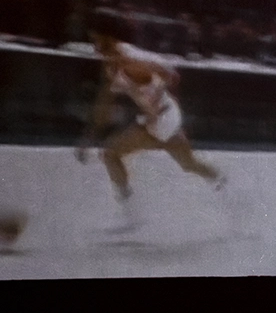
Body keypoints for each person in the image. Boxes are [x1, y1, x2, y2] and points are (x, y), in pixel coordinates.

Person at [76, 12, 223, 219]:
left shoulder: (128, 60)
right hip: (165, 115)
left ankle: (131, 215)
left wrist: (153, 102)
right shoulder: (112, 63)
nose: (94, 45)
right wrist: (89, 136)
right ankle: (222, 184)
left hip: (161, 117)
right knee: (188, 164)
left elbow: (170, 75)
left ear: (109, 37)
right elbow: (104, 102)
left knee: (111, 154)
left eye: (96, 39)